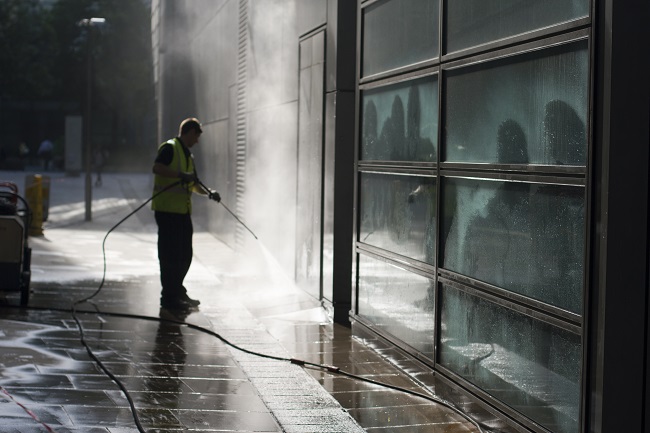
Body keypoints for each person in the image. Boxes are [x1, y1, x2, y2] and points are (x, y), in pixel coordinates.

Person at [151, 118, 221, 311]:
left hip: (181, 213)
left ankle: (177, 291)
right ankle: (169, 297)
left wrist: (209, 193)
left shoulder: (188, 155)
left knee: (185, 255)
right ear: (189, 132)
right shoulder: (170, 148)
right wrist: (180, 175)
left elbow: (194, 183)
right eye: (196, 137)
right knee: (170, 256)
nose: (197, 141)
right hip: (166, 212)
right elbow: (157, 168)